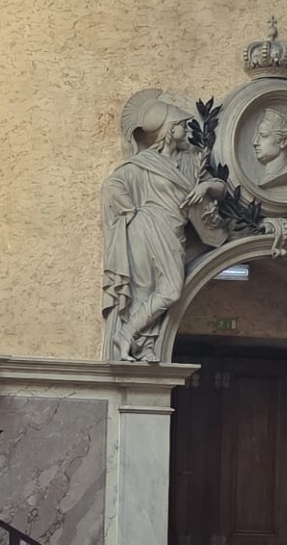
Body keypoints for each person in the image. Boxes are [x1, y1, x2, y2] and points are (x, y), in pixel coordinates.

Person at [100, 97, 227, 363]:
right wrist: (131, 211)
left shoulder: (192, 161)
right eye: (182, 125)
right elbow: (112, 186)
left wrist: (205, 187)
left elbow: (220, 188)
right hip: (146, 228)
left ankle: (133, 337)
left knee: (167, 289)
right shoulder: (144, 164)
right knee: (152, 289)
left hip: (173, 231)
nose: (187, 130)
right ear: (170, 130)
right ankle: (135, 341)